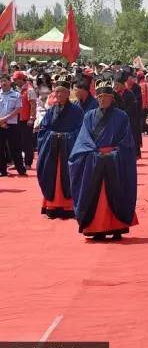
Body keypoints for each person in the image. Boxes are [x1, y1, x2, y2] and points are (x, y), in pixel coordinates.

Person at [69, 80, 138, 240]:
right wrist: (93, 154)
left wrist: (114, 153)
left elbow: (127, 141)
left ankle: (116, 227)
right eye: (99, 96)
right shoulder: (89, 116)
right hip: (94, 158)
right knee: (95, 194)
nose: (102, 99)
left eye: (106, 96)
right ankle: (96, 227)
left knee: (115, 191)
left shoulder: (121, 116)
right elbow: (83, 140)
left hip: (114, 158)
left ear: (112, 98)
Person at [37, 77, 84, 218]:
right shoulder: (51, 111)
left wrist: (66, 137)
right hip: (52, 150)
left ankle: (68, 206)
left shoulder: (77, 111)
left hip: (68, 150)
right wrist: (52, 136)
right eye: (56, 93)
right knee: (51, 175)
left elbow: (81, 130)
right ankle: (51, 206)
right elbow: (43, 129)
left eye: (62, 92)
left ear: (68, 94)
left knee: (68, 176)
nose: (59, 95)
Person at [0, 73, 27, 176]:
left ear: (10, 82)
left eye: (5, 81)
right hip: (0, 124)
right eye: (1, 81)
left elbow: (18, 109)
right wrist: (1, 122)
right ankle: (2, 170)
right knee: (0, 148)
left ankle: (20, 169)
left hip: (12, 124)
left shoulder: (16, 94)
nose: (3, 83)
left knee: (15, 148)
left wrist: (5, 119)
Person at [15, 71, 37, 169]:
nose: (15, 82)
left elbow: (33, 105)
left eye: (17, 80)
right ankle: (18, 163)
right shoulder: (17, 89)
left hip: (26, 119)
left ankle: (28, 163)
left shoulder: (30, 89)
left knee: (27, 142)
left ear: (21, 79)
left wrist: (31, 118)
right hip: (17, 119)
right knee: (17, 141)